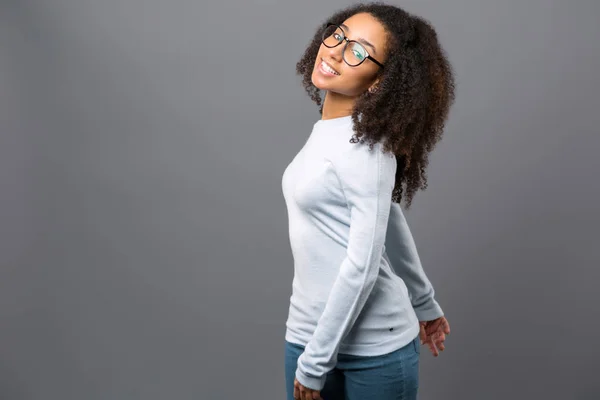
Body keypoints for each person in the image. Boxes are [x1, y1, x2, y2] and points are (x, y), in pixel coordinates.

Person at [281, 2, 455, 400]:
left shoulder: (367, 152)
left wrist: (315, 363)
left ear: (380, 80)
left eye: (357, 51)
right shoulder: (335, 131)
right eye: (338, 35)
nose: (335, 51)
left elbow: (362, 268)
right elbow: (389, 222)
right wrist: (425, 301)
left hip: (372, 353)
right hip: (306, 335)